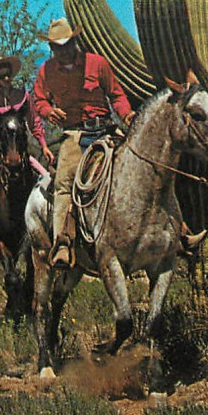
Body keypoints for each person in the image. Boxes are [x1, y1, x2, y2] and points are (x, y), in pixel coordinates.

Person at [32, 18, 136, 268]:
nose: (63, 51)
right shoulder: (47, 71)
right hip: (74, 135)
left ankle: (176, 231)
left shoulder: (97, 64)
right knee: (64, 183)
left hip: (106, 130)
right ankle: (63, 243)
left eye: (67, 45)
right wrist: (48, 111)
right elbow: (38, 101)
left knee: (140, 163)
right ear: (52, 49)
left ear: (75, 42)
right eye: (57, 47)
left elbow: (117, 95)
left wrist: (127, 115)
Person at [0, 55, 54, 201]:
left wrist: (44, 146)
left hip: (20, 152)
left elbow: (35, 123)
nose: (6, 79)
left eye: (8, 74)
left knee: (47, 178)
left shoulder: (23, 96)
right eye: (2, 76)